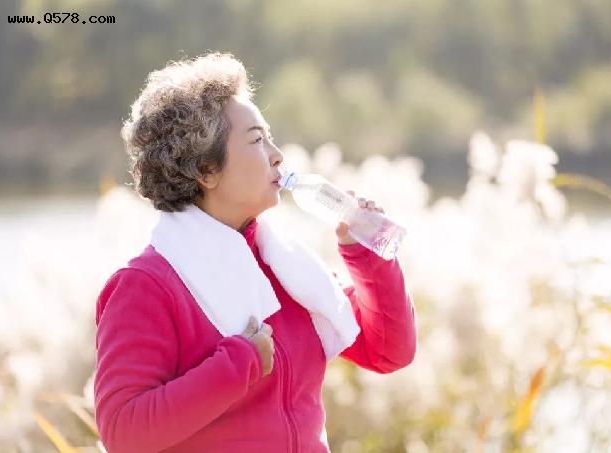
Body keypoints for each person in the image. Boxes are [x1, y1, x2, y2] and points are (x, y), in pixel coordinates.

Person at [94, 51, 417, 453]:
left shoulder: (285, 265)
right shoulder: (145, 286)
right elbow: (124, 433)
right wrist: (239, 362)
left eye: (270, 137)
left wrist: (365, 254)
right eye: (256, 140)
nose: (277, 154)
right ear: (205, 171)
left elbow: (388, 351)